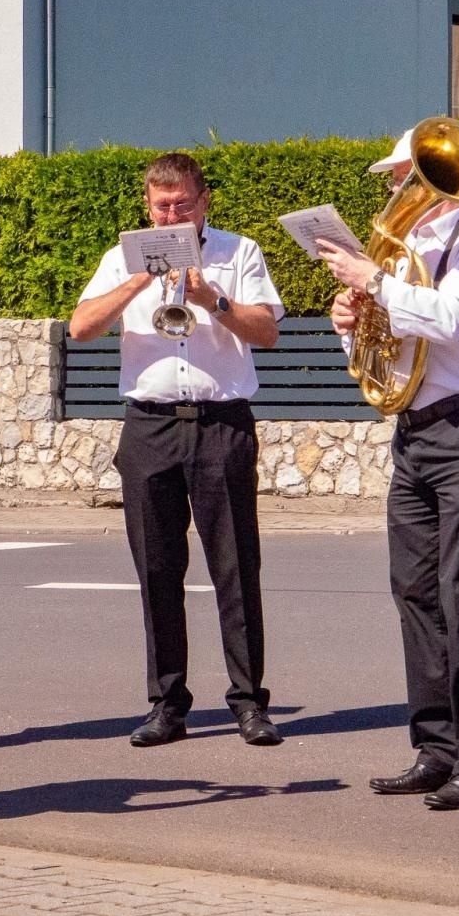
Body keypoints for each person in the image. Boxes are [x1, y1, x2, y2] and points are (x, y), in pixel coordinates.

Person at [318, 128, 459, 810]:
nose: (394, 191)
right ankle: (436, 748)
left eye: (402, 176)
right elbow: (391, 342)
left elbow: (456, 320)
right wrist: (354, 316)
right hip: (417, 429)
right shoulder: (416, 250)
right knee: (414, 591)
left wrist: (372, 280)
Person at [69, 152, 284, 748]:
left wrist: (211, 297)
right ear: (147, 206)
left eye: (182, 204)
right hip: (149, 427)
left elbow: (266, 331)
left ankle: (248, 702)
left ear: (203, 202)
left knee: (236, 568)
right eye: (161, 206)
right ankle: (167, 704)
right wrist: (140, 278)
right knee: (157, 571)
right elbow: (81, 326)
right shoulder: (120, 258)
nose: (171, 214)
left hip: (221, 423)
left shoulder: (238, 252)